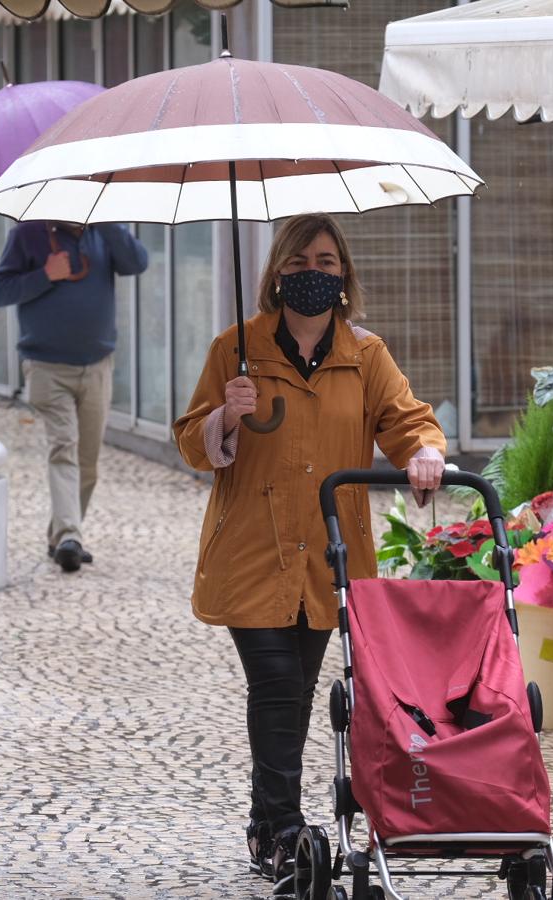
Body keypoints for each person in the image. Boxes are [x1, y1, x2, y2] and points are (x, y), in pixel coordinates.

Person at [173, 213, 446, 894]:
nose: (313, 274)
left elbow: (406, 421)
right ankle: (287, 826)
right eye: (299, 262)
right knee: (275, 684)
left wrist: (427, 454)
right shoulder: (234, 350)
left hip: (329, 557)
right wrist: (224, 416)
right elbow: (189, 440)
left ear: (345, 276)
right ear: (275, 273)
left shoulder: (367, 355)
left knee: (296, 691)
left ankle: (266, 826)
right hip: (252, 551)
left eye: (327, 262)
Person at [0, 220, 149, 572]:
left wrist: (109, 225)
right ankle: (69, 536)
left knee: (88, 460)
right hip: (46, 367)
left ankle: (60, 536)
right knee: (64, 447)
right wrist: (45, 274)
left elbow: (137, 263)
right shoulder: (27, 234)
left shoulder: (102, 232)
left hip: (97, 366)